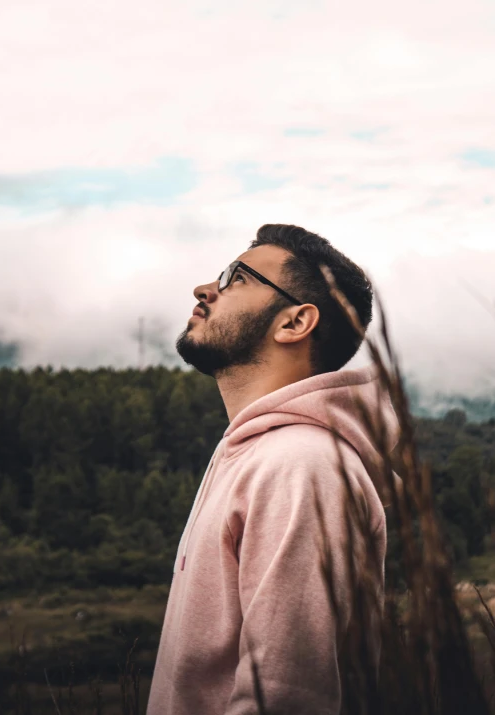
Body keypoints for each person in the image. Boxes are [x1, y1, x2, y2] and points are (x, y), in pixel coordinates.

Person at [146, 224, 400, 715]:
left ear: (294, 323)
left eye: (236, 277)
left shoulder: (301, 465)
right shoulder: (256, 453)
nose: (206, 289)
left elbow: (286, 694)